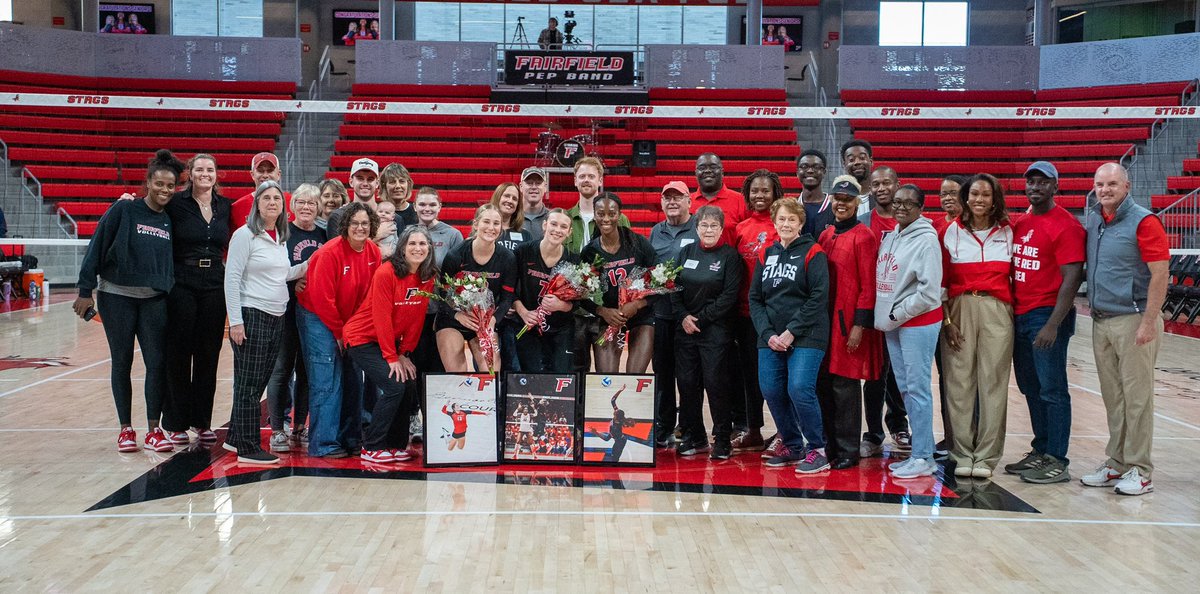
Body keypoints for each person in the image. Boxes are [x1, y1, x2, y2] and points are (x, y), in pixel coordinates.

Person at [74, 150, 183, 453]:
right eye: (159, 184)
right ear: (148, 182)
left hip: (154, 300)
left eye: (170, 186)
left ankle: (153, 430)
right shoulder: (123, 209)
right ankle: (125, 429)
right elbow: (96, 245)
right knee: (122, 361)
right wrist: (84, 289)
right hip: (116, 297)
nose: (164, 190)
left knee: (156, 363)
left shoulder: (170, 218)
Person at [1080, 162, 1169, 497]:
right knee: (1114, 398)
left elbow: (1160, 274)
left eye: (1112, 184)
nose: (1105, 190)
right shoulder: (1093, 219)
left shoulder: (1144, 221)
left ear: (1127, 187)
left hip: (1133, 321)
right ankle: (1116, 462)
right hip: (1101, 320)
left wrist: (1149, 321)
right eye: (1100, 184)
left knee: (1137, 399)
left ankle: (1141, 470)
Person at [1003, 161, 1086, 484]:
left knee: (1053, 389)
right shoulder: (1021, 222)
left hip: (1046, 315)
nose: (1035, 188)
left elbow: (1072, 278)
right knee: (1030, 387)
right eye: (1031, 182)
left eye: (1042, 182)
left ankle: (1057, 458)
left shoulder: (1066, 226)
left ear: (1055, 187)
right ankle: (1040, 449)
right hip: (1020, 313)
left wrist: (1053, 323)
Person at [222, 181, 306, 465]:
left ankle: (235, 438)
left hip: (276, 315)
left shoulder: (279, 238)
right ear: (256, 204)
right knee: (248, 384)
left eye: (277, 199)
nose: (272, 202)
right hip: (252, 314)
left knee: (257, 381)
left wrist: (311, 264)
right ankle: (248, 447)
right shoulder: (244, 235)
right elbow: (231, 278)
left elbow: (282, 274)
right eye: (266, 198)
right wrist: (235, 321)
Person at [748, 198, 830, 473]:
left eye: (792, 220)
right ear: (774, 222)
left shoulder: (813, 252)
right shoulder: (764, 254)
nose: (786, 224)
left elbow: (818, 297)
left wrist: (791, 332)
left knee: (799, 388)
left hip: (807, 334)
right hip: (770, 337)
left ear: (801, 223)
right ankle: (793, 445)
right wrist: (768, 333)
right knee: (770, 388)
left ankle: (817, 449)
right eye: (781, 219)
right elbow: (755, 299)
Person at [343, 225, 437, 464]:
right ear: (402, 248)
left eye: (422, 244)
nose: (418, 248)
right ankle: (372, 446)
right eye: (412, 244)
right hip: (362, 338)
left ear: (430, 248)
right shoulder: (387, 272)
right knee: (395, 386)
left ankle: (395, 445)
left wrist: (405, 353)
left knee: (408, 384)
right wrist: (392, 356)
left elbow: (416, 318)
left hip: (391, 343)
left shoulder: (427, 275)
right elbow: (381, 317)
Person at [941, 173, 1014, 479]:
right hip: (959, 309)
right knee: (958, 383)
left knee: (993, 384)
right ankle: (961, 453)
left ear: (995, 198)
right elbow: (941, 282)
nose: (979, 200)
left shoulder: (1010, 232)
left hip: (997, 309)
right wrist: (947, 321)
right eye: (974, 194)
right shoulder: (948, 232)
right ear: (965, 197)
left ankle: (986, 455)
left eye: (986, 195)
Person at [296, 202, 382, 458]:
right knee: (327, 378)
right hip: (318, 317)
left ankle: (351, 438)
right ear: (345, 226)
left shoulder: (373, 252)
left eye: (364, 223)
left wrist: (355, 331)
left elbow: (370, 296)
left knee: (353, 377)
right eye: (354, 223)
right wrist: (340, 333)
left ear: (372, 227)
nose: (359, 227)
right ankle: (323, 444)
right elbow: (323, 300)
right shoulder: (329, 253)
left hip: (350, 321)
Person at [160, 153, 231, 447]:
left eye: (210, 169)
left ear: (217, 174)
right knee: (178, 353)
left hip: (215, 282)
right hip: (182, 281)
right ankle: (175, 423)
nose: (205, 173)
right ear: (189, 173)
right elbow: (148, 209)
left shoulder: (224, 206)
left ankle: (201, 422)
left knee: (208, 355)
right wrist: (127, 200)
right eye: (199, 169)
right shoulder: (175, 203)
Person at [875, 185, 944, 478]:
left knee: (917, 389)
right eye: (897, 202)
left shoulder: (927, 240)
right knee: (905, 390)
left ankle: (923, 456)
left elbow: (930, 293)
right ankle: (919, 454)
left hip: (916, 323)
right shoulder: (892, 236)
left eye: (908, 204)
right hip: (893, 324)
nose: (901, 207)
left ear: (920, 208)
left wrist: (897, 313)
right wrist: (888, 318)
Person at [816, 177, 883, 470]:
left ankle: (848, 449)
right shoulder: (826, 234)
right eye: (838, 199)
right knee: (825, 385)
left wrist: (859, 325)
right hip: (824, 323)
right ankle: (829, 444)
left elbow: (869, 286)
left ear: (857, 203)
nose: (841, 204)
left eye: (848, 200)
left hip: (847, 324)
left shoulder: (864, 236)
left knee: (845, 387)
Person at [672, 205, 744, 460]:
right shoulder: (686, 252)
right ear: (696, 227)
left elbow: (729, 297)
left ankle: (722, 438)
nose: (709, 230)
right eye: (704, 225)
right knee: (688, 385)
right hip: (686, 331)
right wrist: (682, 316)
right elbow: (673, 288)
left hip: (716, 331)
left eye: (714, 226)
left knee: (716, 385)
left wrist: (701, 318)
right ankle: (695, 436)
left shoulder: (730, 257)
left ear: (722, 229)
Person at [265, 184, 325, 452]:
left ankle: (300, 425)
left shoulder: (324, 234)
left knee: (307, 371)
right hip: (285, 311)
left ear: (318, 207)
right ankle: (278, 428)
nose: (306, 207)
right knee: (281, 369)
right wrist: (294, 284)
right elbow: (271, 271)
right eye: (301, 202)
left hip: (314, 312)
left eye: (312, 203)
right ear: (292, 206)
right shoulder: (281, 234)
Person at [858, 166, 910, 457]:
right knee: (875, 374)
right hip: (873, 308)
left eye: (886, 183)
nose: (880, 188)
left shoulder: (910, 223)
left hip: (904, 310)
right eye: (875, 184)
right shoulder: (863, 221)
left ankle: (899, 425)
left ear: (897, 184)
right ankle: (873, 433)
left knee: (899, 373)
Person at [732, 170, 783, 454]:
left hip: (774, 315)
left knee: (774, 377)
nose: (760, 195)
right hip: (744, 314)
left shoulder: (782, 226)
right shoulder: (740, 228)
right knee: (749, 376)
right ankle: (753, 429)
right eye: (755, 191)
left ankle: (783, 431)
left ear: (775, 193)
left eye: (766, 190)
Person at [437, 204, 518, 372]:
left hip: (484, 321)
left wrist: (493, 319)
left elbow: (507, 298)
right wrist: (457, 315)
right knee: (456, 372)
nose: (491, 227)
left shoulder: (507, 258)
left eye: (496, 223)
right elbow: (442, 295)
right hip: (453, 320)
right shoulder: (456, 255)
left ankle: (487, 399)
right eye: (486, 222)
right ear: (476, 224)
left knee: (491, 368)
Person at [581, 193, 657, 374]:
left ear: (619, 214)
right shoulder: (590, 252)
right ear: (594, 215)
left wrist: (638, 304)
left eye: (611, 213)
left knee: (634, 376)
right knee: (606, 378)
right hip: (609, 318)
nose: (606, 218)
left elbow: (660, 285)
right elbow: (579, 295)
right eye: (600, 213)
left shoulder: (638, 243)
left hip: (641, 316)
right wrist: (602, 311)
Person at [566, 157, 628, 373]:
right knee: (576, 372)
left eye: (591, 176)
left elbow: (629, 263)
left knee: (607, 374)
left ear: (600, 180)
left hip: (608, 310)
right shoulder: (564, 219)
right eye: (582, 176)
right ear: (574, 180)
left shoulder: (620, 220)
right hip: (574, 311)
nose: (586, 180)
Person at [648, 181, 697, 446]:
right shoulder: (656, 231)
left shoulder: (699, 228)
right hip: (662, 314)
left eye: (678, 197)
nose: (673, 202)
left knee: (689, 376)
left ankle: (689, 427)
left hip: (690, 316)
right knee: (663, 374)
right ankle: (663, 426)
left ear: (690, 201)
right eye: (668, 198)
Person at [514, 209, 579, 373]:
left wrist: (562, 306)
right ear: (544, 225)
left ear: (569, 232)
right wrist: (523, 312)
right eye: (554, 224)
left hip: (561, 329)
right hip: (529, 326)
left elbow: (580, 301)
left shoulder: (574, 261)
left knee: (560, 375)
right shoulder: (523, 252)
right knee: (532, 375)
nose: (558, 230)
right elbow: (509, 289)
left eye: (563, 227)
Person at [931, 173, 966, 456]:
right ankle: (951, 435)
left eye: (953, 192)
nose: (947, 197)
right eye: (943, 193)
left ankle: (965, 437)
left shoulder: (968, 227)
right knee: (946, 377)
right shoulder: (936, 226)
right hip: (939, 307)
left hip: (963, 305)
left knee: (962, 377)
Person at [491, 182, 533, 372]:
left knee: (514, 366)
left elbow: (526, 275)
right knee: (489, 362)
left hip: (515, 311)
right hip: (489, 310)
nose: (510, 201)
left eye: (514, 198)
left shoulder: (524, 235)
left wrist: (514, 303)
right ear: (498, 197)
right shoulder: (486, 229)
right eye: (506, 196)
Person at [691, 153, 746, 246]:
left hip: (731, 259)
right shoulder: (687, 202)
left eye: (713, 167)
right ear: (696, 173)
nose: (708, 171)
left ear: (722, 172)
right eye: (702, 168)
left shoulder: (740, 200)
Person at [231, 152, 290, 231]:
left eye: (270, 171)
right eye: (260, 171)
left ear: (278, 174)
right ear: (252, 174)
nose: (265, 175)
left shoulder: (292, 202)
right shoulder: (237, 207)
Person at [326, 158, 381, 240]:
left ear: (377, 183)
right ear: (351, 182)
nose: (365, 183)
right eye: (360, 178)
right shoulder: (338, 217)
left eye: (370, 179)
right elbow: (338, 251)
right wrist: (379, 235)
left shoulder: (392, 217)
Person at [414, 187, 463, 267]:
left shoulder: (453, 235)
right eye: (422, 204)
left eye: (432, 205)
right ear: (415, 207)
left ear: (439, 207)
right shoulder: (407, 233)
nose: (427, 209)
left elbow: (459, 269)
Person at [797, 149, 834, 238]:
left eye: (816, 167)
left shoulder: (834, 207)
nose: (810, 171)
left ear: (824, 172)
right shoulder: (789, 207)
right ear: (797, 172)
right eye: (804, 166)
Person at [597, 386, 635, 462]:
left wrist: (596, 432)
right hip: (620, 439)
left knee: (614, 458)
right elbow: (613, 400)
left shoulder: (615, 428)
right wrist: (620, 390)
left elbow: (606, 438)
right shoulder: (618, 416)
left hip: (620, 442)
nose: (614, 411)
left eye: (615, 413)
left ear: (617, 417)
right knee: (614, 457)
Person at [380, 162, 418, 233]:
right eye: (392, 182)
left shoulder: (418, 212)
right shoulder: (377, 212)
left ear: (408, 184)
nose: (398, 186)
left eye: (402, 181)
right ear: (384, 186)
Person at [840, 139, 874, 215]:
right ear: (844, 164)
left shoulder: (881, 198)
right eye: (851, 159)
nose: (857, 162)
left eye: (862, 158)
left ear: (871, 162)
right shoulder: (838, 200)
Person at [520, 167, 550, 241]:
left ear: (545, 187)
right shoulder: (511, 217)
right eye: (529, 183)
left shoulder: (552, 218)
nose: (534, 187)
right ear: (521, 186)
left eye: (538, 183)